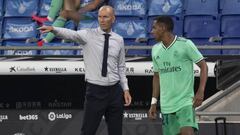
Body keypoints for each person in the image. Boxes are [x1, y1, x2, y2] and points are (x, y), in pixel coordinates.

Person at [38, 6, 132, 135]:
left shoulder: (119, 40)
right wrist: (54, 29)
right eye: (100, 17)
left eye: (105, 17)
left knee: (116, 132)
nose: (102, 20)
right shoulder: (88, 35)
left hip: (115, 92)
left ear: (113, 19)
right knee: (88, 132)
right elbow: (71, 34)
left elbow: (121, 66)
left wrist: (125, 89)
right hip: (95, 91)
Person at [148, 16, 208, 135]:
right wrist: (153, 103)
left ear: (163, 28)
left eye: (154, 28)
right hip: (166, 105)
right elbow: (156, 76)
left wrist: (200, 91)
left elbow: (204, 66)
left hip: (185, 102)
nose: (151, 31)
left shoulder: (186, 44)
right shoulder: (155, 49)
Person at [33, 0, 106, 46]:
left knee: (65, 13)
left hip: (90, 16)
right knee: (65, 12)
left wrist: (76, 11)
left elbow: (93, 6)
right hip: (78, 13)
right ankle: (50, 18)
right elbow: (76, 5)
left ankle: (46, 39)